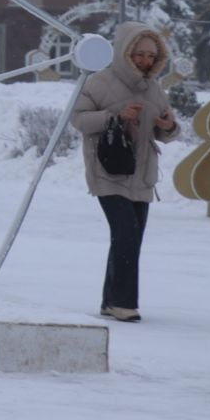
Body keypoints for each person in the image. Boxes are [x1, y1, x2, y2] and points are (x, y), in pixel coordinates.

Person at [71, 23, 180, 322]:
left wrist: (168, 127)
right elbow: (78, 119)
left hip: (142, 174)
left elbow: (164, 131)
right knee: (126, 234)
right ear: (125, 52)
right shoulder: (99, 82)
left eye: (151, 55)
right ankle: (123, 303)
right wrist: (115, 117)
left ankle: (110, 301)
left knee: (129, 238)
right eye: (139, 54)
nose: (145, 60)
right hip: (108, 169)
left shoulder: (155, 88)